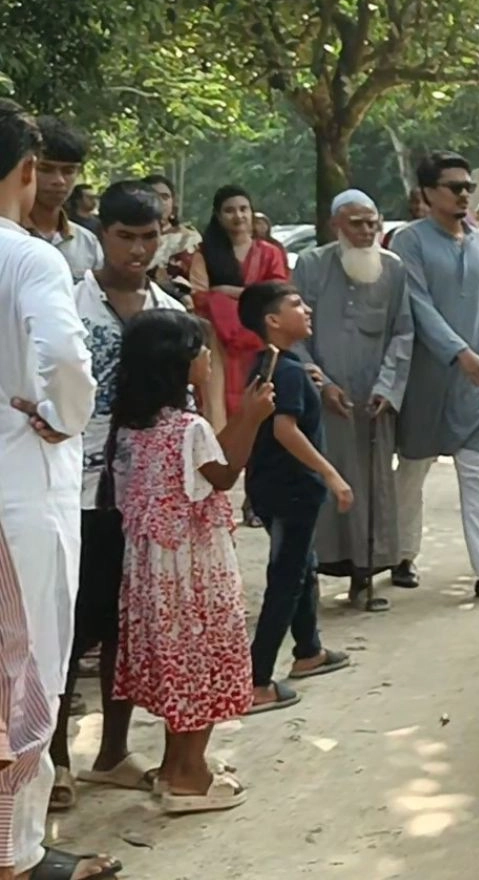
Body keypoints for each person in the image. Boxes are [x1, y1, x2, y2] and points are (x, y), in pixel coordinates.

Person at [0, 99, 118, 880]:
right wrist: (61, 417)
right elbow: (70, 369)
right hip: (21, 488)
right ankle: (15, 849)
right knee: (28, 662)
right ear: (28, 171)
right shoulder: (32, 258)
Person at [107, 310, 274, 814]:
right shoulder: (189, 427)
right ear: (175, 363)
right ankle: (190, 776)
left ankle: (175, 763)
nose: (207, 357)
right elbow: (221, 475)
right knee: (202, 659)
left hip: (153, 568)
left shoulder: (134, 425)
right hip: (194, 564)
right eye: (198, 350)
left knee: (174, 662)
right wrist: (251, 417)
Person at [50, 182, 181, 813]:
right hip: (77, 488)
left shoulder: (169, 308)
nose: (138, 248)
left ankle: (112, 752)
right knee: (72, 628)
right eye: (125, 236)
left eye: (149, 236)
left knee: (128, 627)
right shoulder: (70, 306)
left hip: (148, 493)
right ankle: (51, 760)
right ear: (102, 235)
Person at [389, 153, 479, 606]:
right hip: (426, 377)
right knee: (413, 470)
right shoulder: (408, 242)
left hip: (476, 379)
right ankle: (401, 553)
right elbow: (418, 305)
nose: (464, 194)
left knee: (477, 474)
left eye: (468, 186)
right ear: (428, 193)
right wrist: (459, 354)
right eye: (454, 186)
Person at [294, 190, 414, 611]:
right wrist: (321, 384)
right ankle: (314, 577)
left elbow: (403, 332)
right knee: (320, 484)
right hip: (323, 397)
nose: (366, 232)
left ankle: (365, 578)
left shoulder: (394, 268)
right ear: (335, 226)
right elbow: (295, 334)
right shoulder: (310, 266)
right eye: (356, 223)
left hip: (371, 398)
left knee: (371, 486)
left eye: (372, 223)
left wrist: (387, 387)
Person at [238, 282, 354, 714]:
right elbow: (286, 430)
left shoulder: (277, 363)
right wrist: (333, 475)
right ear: (272, 320)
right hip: (291, 489)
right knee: (286, 578)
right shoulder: (284, 370)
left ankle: (309, 651)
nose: (306, 309)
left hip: (276, 486)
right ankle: (257, 679)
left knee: (301, 566)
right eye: (295, 305)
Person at [189, 186, 291, 425]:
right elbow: (199, 295)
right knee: (217, 405)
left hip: (261, 337)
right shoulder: (205, 253)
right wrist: (227, 301)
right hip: (217, 339)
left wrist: (228, 292)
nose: (238, 216)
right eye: (230, 211)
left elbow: (276, 292)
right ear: (218, 215)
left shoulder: (270, 252)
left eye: (243, 209)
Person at [24, 116, 103, 280]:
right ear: (26, 168)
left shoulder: (88, 243)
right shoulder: (8, 235)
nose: (58, 181)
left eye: (68, 171)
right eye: (46, 169)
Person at [140, 173, 200, 297]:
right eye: (153, 196)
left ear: (173, 204)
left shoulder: (188, 238)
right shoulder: (127, 238)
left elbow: (196, 284)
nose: (160, 202)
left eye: (165, 197)